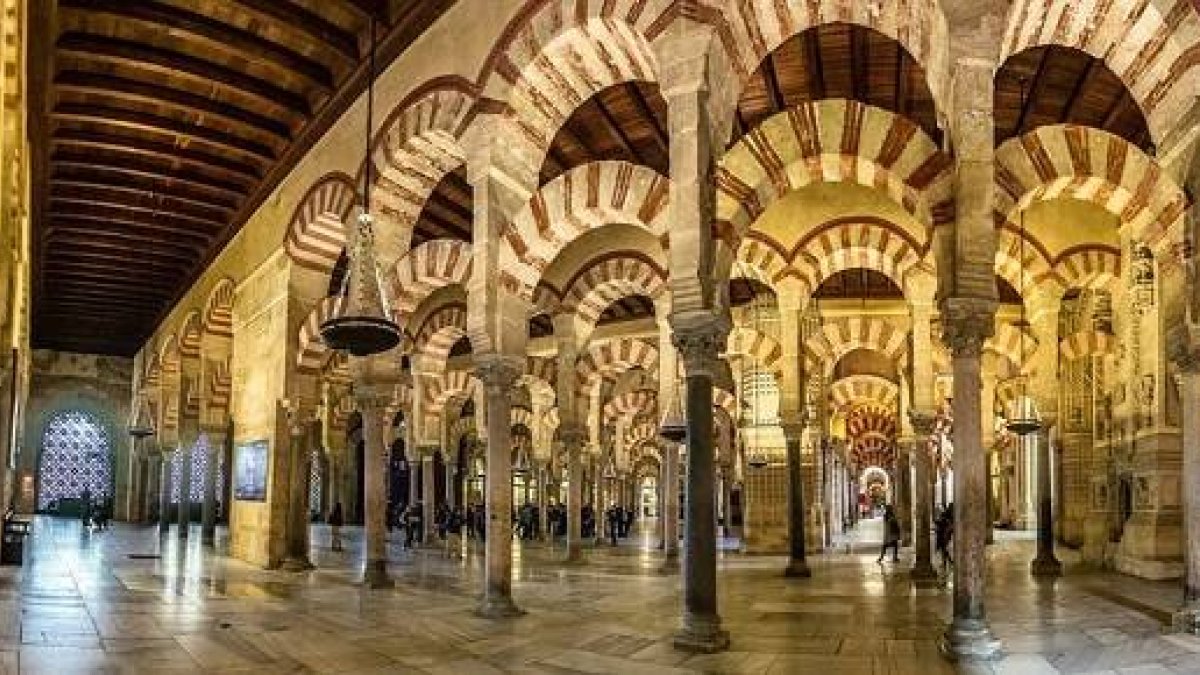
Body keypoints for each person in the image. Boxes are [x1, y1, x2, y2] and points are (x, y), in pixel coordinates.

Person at [935, 503, 954, 569]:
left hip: (943, 533)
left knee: (944, 549)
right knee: (944, 549)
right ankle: (947, 562)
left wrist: (937, 522)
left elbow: (942, 523)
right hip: (945, 533)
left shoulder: (946, 515)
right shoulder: (950, 516)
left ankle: (949, 561)